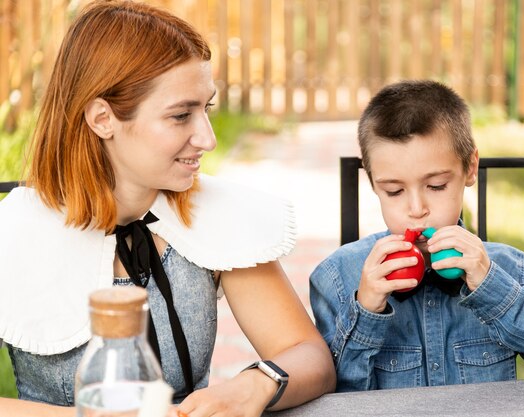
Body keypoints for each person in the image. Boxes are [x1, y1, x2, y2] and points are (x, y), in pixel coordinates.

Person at [0, 1, 335, 416]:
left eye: (206, 108)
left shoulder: (214, 215)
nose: (208, 139)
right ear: (102, 118)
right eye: (180, 115)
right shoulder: (13, 232)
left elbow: (307, 354)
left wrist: (256, 383)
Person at [309, 80, 524, 392]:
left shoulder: (508, 269)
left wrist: (494, 290)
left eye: (436, 186)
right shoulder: (339, 277)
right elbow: (333, 400)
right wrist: (366, 312)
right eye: (394, 191)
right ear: (373, 184)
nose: (416, 209)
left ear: (470, 168)